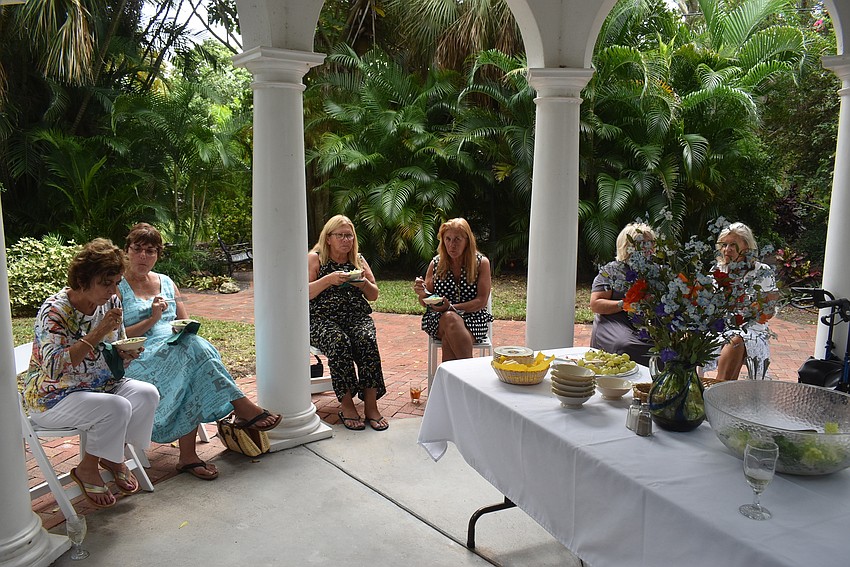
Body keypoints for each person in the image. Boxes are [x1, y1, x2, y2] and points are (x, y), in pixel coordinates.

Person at [119, 223, 281, 480]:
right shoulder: (117, 286)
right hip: (137, 356)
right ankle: (240, 408)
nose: (143, 256)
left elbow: (184, 322)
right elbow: (118, 337)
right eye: (137, 249)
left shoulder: (167, 283)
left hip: (175, 349)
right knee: (193, 354)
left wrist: (181, 330)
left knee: (192, 351)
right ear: (127, 250)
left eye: (150, 251)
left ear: (158, 254)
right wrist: (152, 318)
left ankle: (188, 457)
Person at [22, 238, 160, 508]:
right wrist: (97, 333)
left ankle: (112, 454)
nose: (113, 290)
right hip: (53, 396)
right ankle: (88, 467)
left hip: (98, 385)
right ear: (83, 280)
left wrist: (127, 352)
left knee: (147, 394)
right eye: (106, 283)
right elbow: (54, 366)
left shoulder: (109, 302)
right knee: (117, 407)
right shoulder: (55, 311)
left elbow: (116, 343)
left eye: (117, 282)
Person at [308, 215, 388, 432]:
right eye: (340, 235)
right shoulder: (315, 259)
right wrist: (329, 280)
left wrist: (362, 283)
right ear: (328, 238)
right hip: (322, 320)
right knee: (338, 341)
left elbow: (374, 295)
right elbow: (304, 293)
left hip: (356, 317)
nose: (346, 240)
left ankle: (371, 405)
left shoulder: (358, 260)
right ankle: (346, 404)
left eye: (349, 235)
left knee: (366, 340)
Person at [413, 218, 493, 365]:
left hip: (473, 319)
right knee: (450, 319)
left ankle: (451, 384)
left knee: (451, 335)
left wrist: (452, 307)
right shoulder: (436, 263)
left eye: (457, 239)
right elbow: (425, 301)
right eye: (448, 239)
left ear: (467, 241)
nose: (452, 245)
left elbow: (481, 301)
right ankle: (468, 377)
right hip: (438, 319)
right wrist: (422, 293)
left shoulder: (481, 263)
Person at [706, 222, 778, 380]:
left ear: (746, 246)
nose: (727, 249)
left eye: (733, 244)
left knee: (736, 341)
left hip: (752, 329)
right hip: (720, 326)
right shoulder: (717, 270)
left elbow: (769, 312)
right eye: (724, 244)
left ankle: (719, 392)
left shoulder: (762, 272)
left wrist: (750, 310)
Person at [589, 223, 656, 366]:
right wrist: (626, 304)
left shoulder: (656, 272)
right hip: (614, 320)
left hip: (647, 323)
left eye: (650, 243)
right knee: (625, 346)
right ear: (627, 246)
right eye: (642, 243)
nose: (648, 247)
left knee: (675, 348)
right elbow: (596, 304)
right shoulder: (612, 271)